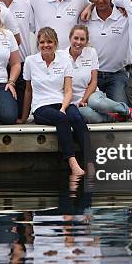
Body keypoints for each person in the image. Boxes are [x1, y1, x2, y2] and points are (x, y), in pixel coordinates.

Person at [18, 27, 87, 175]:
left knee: (76, 117)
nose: (46, 45)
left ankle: (90, 160)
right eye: (42, 42)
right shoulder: (30, 61)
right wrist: (24, 117)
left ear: (55, 43)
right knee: (61, 119)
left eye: (49, 41)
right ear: (38, 44)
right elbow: (28, 91)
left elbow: (68, 90)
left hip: (61, 101)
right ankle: (72, 162)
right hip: (41, 106)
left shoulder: (64, 60)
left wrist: (63, 107)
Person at [59, 25, 132, 124]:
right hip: (72, 101)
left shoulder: (91, 52)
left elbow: (94, 81)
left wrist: (84, 100)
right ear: (70, 38)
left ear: (86, 41)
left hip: (91, 94)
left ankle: (126, 110)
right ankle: (113, 117)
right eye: (76, 38)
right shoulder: (61, 56)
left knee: (96, 102)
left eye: (82, 39)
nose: (78, 42)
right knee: (88, 114)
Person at [83, 0, 131, 105]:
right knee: (86, 109)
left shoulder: (124, 16)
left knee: (121, 111)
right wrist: (90, 6)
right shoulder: (84, 17)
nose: (100, 0)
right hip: (91, 75)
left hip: (117, 75)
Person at [0, 0, 35, 120]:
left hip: (22, 61)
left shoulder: (26, 3)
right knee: (3, 113)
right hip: (0, 63)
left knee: (18, 113)